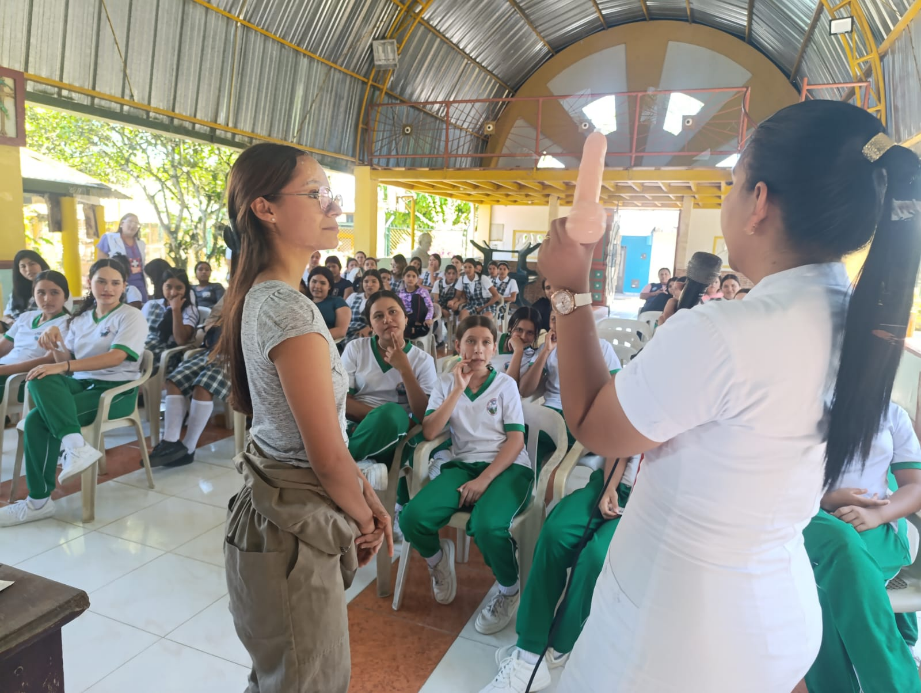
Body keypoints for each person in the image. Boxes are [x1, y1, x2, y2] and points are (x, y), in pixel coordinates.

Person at [537, 100, 921, 693]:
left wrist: (568, 286)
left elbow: (592, 422)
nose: (728, 197)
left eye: (734, 182)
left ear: (759, 203)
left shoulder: (726, 334)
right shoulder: (856, 323)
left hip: (676, 638)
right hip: (777, 616)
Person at [217, 142, 392, 692]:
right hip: (289, 527)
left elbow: (317, 437)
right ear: (265, 209)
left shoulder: (265, 296)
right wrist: (368, 520)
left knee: (282, 677)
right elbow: (324, 453)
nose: (333, 207)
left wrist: (365, 501)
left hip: (279, 512)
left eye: (330, 194)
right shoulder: (287, 308)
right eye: (317, 194)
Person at [400, 315, 530, 636]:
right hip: (462, 466)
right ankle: (437, 561)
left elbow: (516, 440)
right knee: (412, 517)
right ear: (458, 346)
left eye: (486, 342)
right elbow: (430, 430)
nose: (478, 349)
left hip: (508, 468)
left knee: (487, 526)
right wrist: (456, 390)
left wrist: (485, 479)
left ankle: (509, 589)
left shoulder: (505, 385)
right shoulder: (446, 383)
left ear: (495, 347)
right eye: (470, 341)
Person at [0, 259, 147, 526]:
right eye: (101, 281)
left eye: (115, 283)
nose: (107, 288)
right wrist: (54, 344)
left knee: (35, 420)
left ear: (124, 286)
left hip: (115, 391)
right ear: (89, 284)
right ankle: (73, 450)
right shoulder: (80, 319)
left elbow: (116, 357)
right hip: (81, 384)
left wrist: (65, 365)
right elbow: (64, 357)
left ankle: (40, 499)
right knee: (40, 375)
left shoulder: (130, 316)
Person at [481, 457, 638, 693]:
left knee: (596, 557)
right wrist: (609, 487)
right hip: (615, 483)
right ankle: (529, 654)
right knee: (555, 534)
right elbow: (622, 448)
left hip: (649, 506)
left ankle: (562, 643)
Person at [803, 401, 921, 693]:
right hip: (812, 519)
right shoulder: (803, 400)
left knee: (824, 585)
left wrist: (877, 514)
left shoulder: (893, 415)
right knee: (829, 573)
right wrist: (824, 498)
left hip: (877, 525)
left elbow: (916, 486)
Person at [342, 289, 437, 496]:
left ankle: (340, 467)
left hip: (398, 433)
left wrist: (405, 370)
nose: (387, 319)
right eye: (378, 316)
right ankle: (359, 464)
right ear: (371, 324)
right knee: (390, 415)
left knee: (394, 415)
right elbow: (342, 401)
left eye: (393, 312)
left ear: (405, 317)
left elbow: (424, 415)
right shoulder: (356, 349)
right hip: (355, 427)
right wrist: (378, 420)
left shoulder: (422, 360)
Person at [149, 296, 229, 468]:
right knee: (175, 380)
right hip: (213, 351)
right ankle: (170, 441)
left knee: (203, 384)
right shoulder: (232, 293)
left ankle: (188, 448)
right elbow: (210, 322)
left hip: (240, 356)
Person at [0, 270, 70, 403]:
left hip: (23, 379)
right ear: (33, 294)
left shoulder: (67, 323)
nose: (47, 299)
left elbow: (49, 360)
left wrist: (2, 370)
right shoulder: (25, 317)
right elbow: (2, 349)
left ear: (65, 296)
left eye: (54, 292)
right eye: (41, 292)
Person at [142, 269, 199, 371]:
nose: (173, 293)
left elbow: (181, 340)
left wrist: (176, 309)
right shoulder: (151, 305)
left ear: (186, 289)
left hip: (165, 354)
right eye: (168, 287)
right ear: (162, 287)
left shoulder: (189, 310)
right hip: (144, 347)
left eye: (179, 288)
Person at [96, 213, 148, 302]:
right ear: (121, 224)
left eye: (136, 224)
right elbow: (101, 264)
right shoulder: (109, 238)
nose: (133, 225)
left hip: (139, 283)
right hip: (118, 282)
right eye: (130, 222)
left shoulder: (141, 243)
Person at [492, 306, 539, 381]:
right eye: (519, 330)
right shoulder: (493, 337)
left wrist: (518, 351)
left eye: (530, 333)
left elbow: (509, 387)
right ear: (510, 328)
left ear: (536, 335)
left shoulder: (531, 358)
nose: (523, 337)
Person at [4, 250, 50, 323]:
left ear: (41, 265)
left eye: (32, 264)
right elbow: (7, 316)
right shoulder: (16, 292)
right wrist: (9, 321)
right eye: (23, 266)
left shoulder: (56, 289)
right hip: (15, 330)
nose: (28, 269)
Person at [307, 266, 351, 341]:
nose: (317, 286)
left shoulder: (337, 302)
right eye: (314, 281)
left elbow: (341, 331)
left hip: (329, 345)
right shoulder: (303, 302)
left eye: (322, 283)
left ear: (329, 286)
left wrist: (312, 339)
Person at [344, 270, 382, 345]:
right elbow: (344, 315)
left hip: (370, 333)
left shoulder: (382, 300)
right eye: (366, 281)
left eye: (374, 282)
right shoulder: (354, 296)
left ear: (379, 284)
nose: (370, 285)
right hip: (348, 332)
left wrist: (369, 328)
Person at [398, 266, 434, 339]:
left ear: (417, 279)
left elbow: (430, 306)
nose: (411, 278)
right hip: (407, 320)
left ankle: (415, 327)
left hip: (421, 318)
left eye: (414, 276)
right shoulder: (400, 293)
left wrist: (428, 318)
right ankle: (413, 331)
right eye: (408, 276)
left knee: (415, 297)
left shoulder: (422, 291)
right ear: (403, 278)